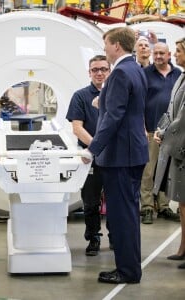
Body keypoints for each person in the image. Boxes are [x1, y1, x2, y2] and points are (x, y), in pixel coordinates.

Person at [84, 27, 149, 284]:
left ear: (116, 46)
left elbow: (114, 117)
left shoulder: (120, 72)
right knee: (129, 214)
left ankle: (127, 271)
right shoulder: (135, 69)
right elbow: (128, 105)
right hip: (133, 151)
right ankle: (130, 267)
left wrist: (92, 149)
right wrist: (104, 99)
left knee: (122, 216)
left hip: (121, 155)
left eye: (106, 45)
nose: (105, 50)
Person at [66, 55, 112, 256]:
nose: (99, 73)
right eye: (95, 70)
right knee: (91, 201)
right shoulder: (80, 96)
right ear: (89, 72)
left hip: (114, 157)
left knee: (114, 200)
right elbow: (77, 128)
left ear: (109, 71)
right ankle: (93, 238)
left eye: (103, 69)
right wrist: (97, 147)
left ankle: (115, 237)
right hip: (91, 157)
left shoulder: (117, 94)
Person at [141, 42, 181, 224]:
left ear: (169, 54)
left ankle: (164, 206)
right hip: (151, 130)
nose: (158, 56)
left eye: (161, 53)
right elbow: (139, 102)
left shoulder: (178, 74)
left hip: (172, 133)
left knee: (166, 171)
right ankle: (147, 207)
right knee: (149, 171)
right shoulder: (145, 74)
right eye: (155, 53)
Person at [154, 37, 185, 269]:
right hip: (179, 146)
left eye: (178, 50)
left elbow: (183, 119)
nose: (175, 55)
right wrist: (160, 128)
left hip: (182, 145)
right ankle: (183, 248)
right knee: (183, 203)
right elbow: (171, 110)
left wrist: (165, 134)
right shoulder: (181, 78)